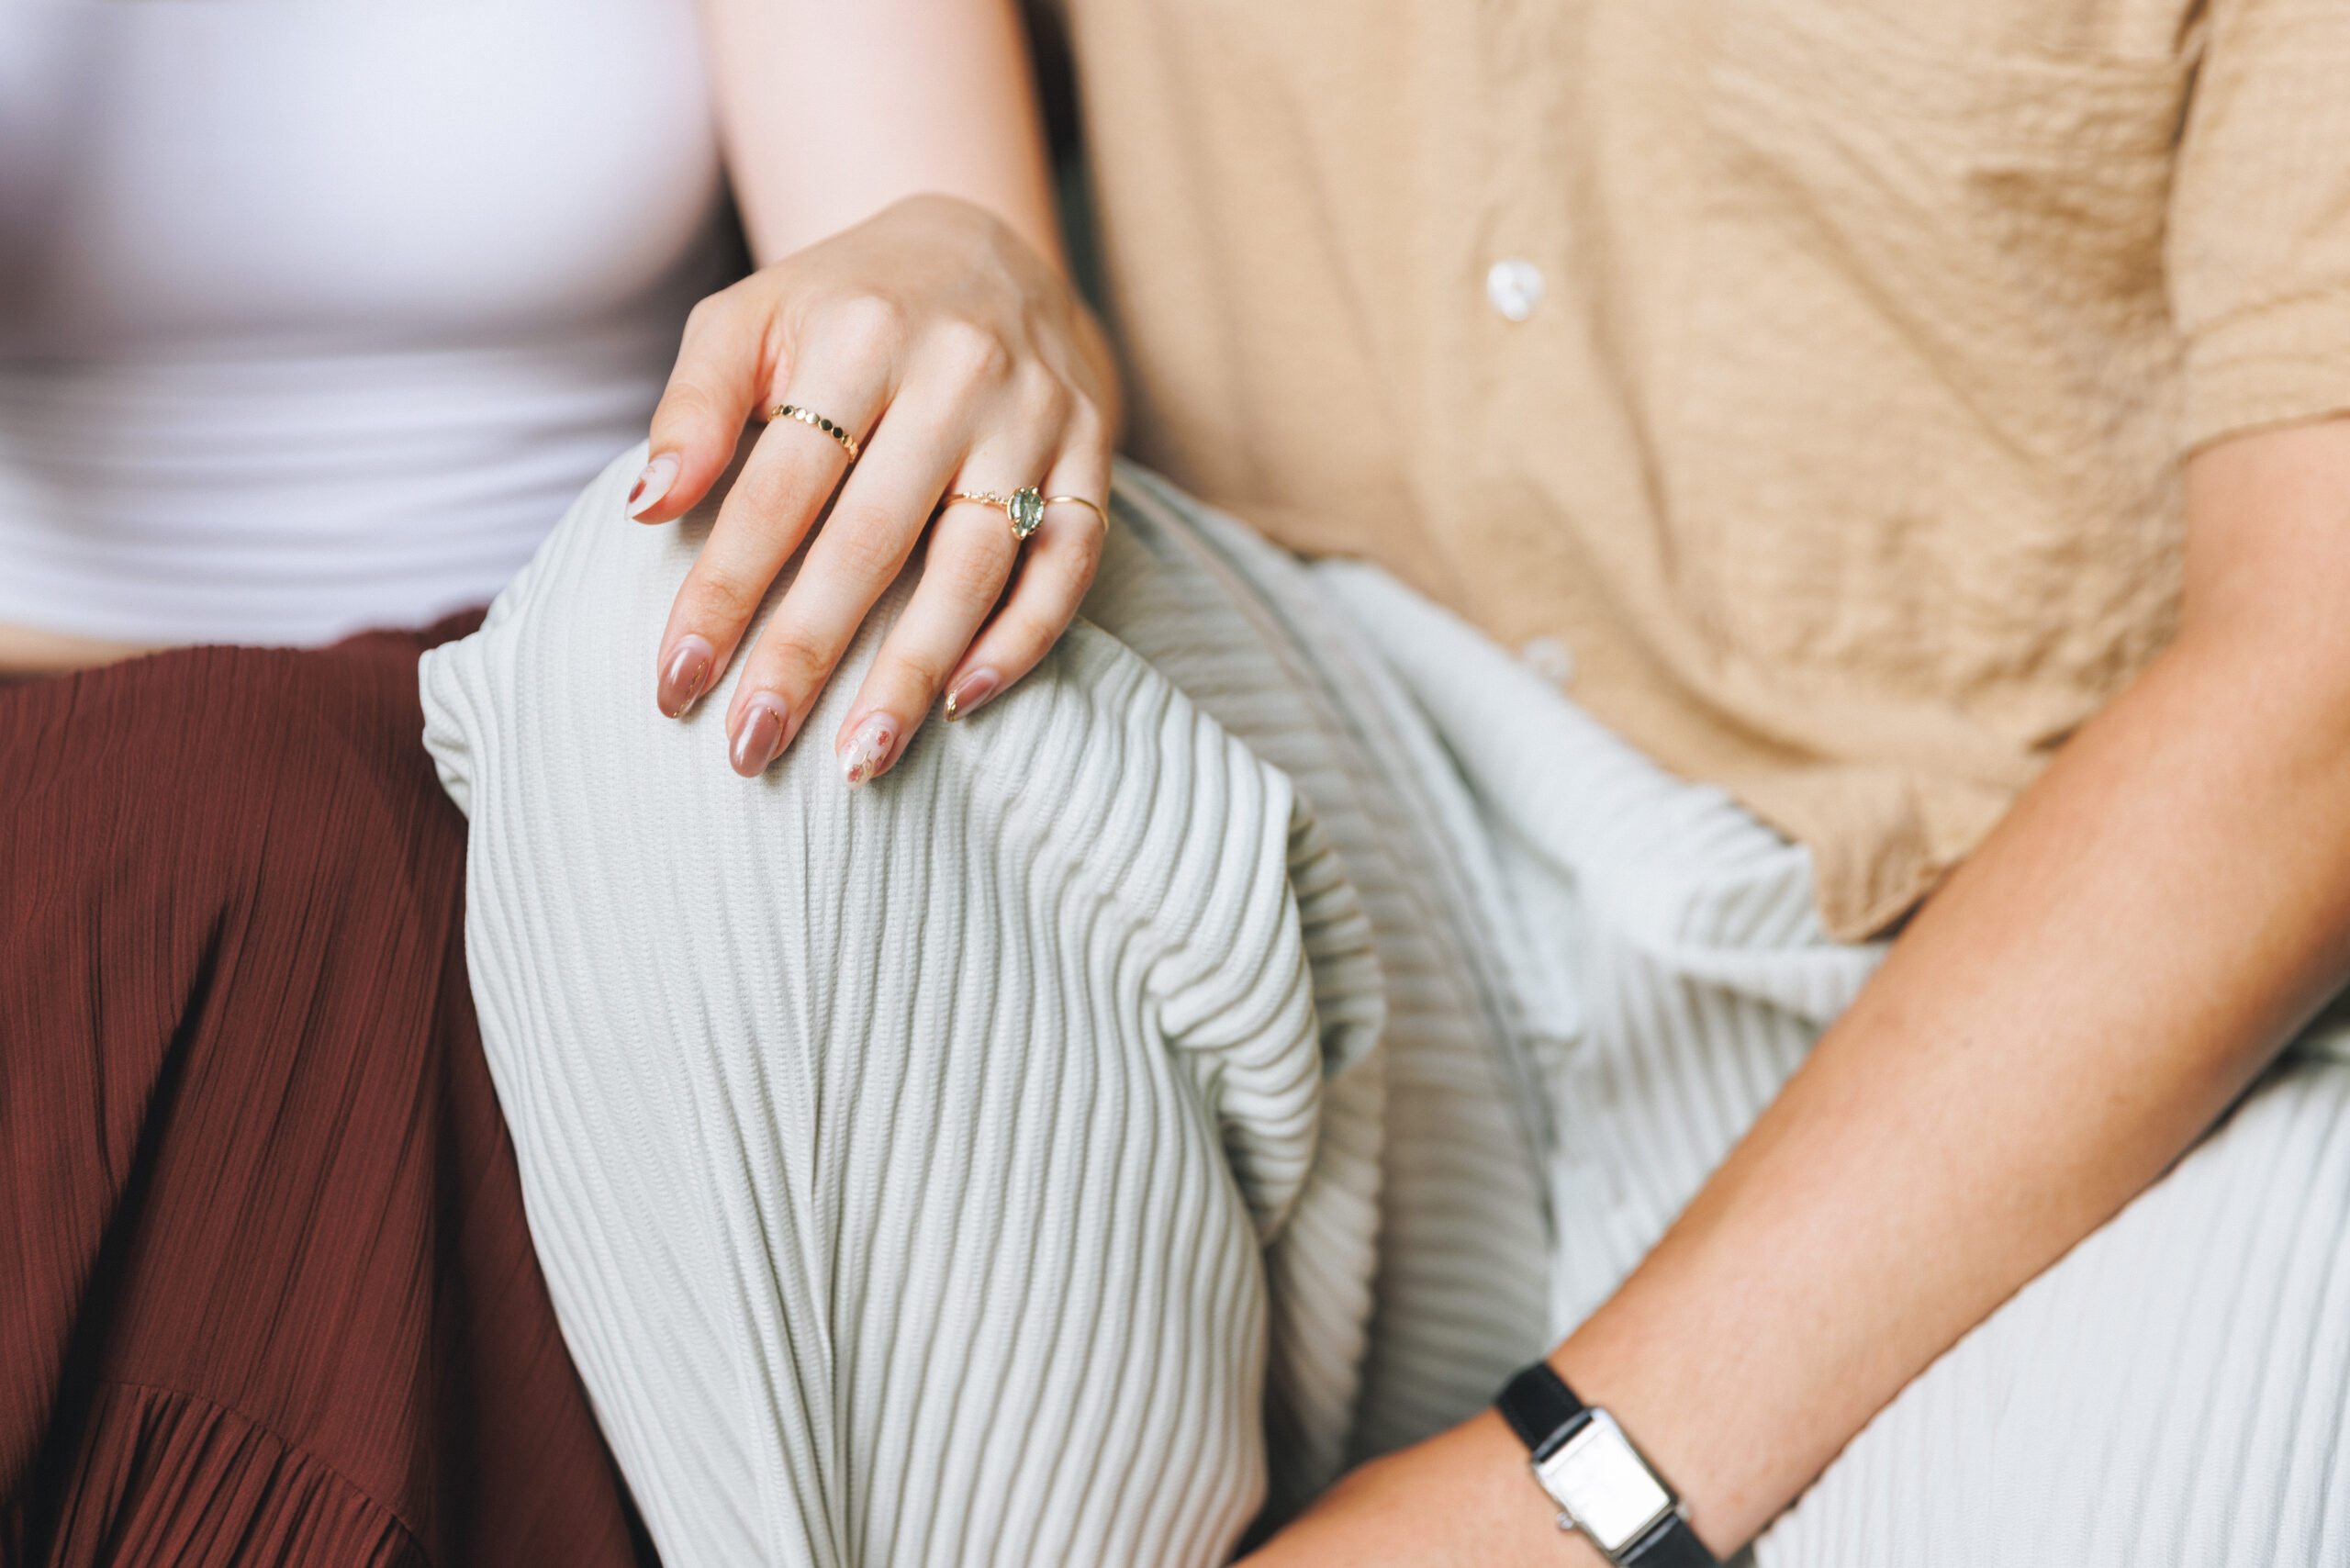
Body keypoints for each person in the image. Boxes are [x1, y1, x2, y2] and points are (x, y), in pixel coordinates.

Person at [420, 0, 2350, 1564]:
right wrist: (957, 262)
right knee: (717, 627)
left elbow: (2315, 684)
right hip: (1348, 865)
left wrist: (1551, 1487)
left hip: (2073, 1007)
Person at [0, 0, 1113, 1557]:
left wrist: (957, 289)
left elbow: (947, 290)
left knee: (255, 842)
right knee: (200, 830)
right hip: (62, 787)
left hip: (567, 753)